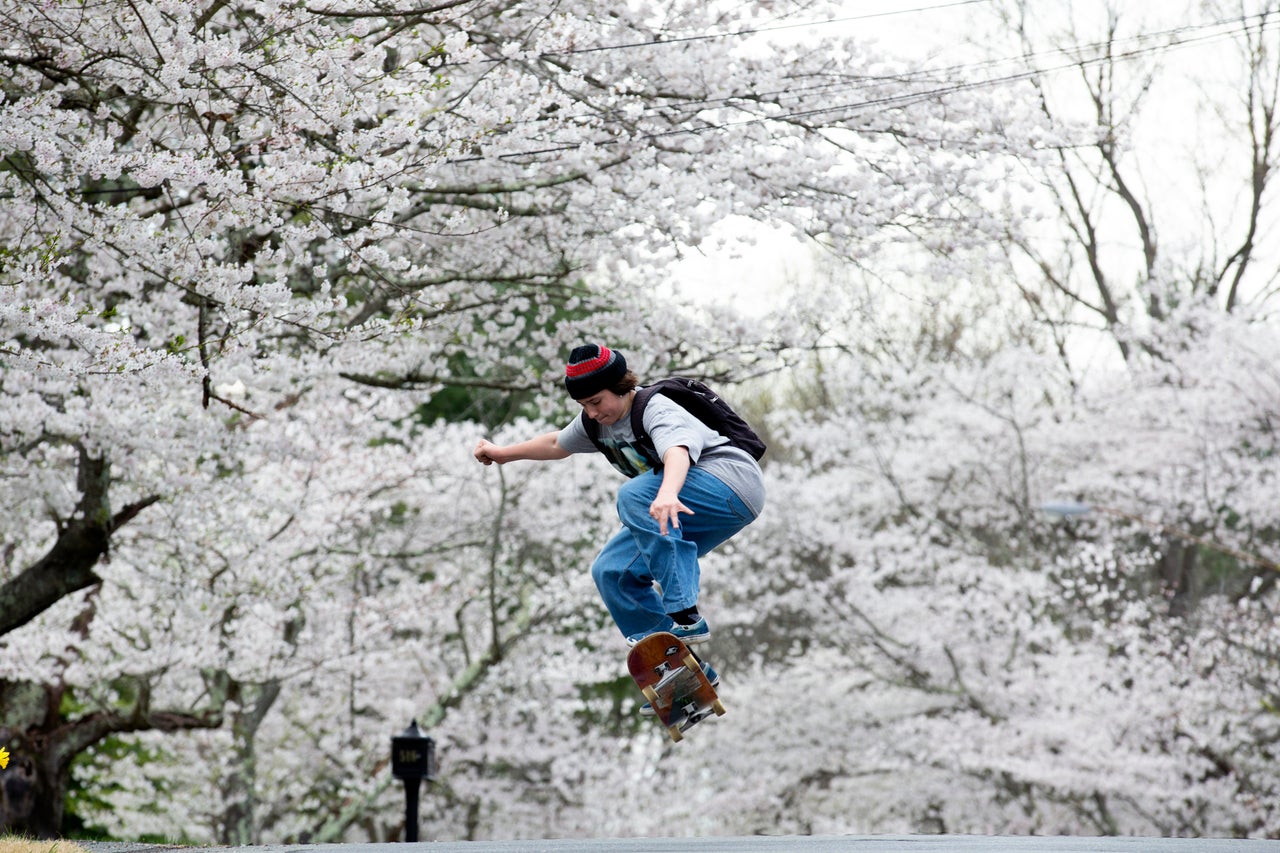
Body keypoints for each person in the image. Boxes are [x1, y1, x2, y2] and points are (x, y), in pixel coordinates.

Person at [473, 344, 765, 703]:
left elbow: (677, 450)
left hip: (730, 483)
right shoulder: (594, 425)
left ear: (622, 386)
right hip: (686, 508)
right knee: (612, 572)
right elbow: (555, 443)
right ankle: (681, 673)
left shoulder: (654, 407)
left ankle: (685, 613)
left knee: (634, 496)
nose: (593, 413)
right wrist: (502, 453)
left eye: (597, 402)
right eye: (584, 407)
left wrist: (669, 491)